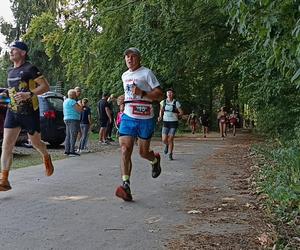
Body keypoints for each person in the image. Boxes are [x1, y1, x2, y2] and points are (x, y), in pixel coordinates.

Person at [0, 41, 54, 191]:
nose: (10, 52)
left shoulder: (30, 68)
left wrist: (29, 94)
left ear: (23, 53)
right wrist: (4, 98)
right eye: (10, 50)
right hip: (13, 112)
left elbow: (45, 86)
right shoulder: (10, 71)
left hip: (30, 112)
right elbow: (11, 92)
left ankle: (45, 155)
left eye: (14, 50)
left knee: (36, 143)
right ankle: (4, 179)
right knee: (6, 146)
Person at [115, 47, 163, 202]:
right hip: (129, 116)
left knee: (143, 153)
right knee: (124, 149)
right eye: (127, 57)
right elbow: (129, 93)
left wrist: (142, 93)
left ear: (138, 58)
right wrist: (121, 99)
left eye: (133, 56)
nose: (129, 59)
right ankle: (125, 185)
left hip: (145, 116)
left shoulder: (146, 73)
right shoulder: (124, 75)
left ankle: (154, 160)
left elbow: (159, 94)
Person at [158, 88, 183, 160]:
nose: (169, 94)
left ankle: (170, 154)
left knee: (170, 139)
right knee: (164, 139)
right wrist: (160, 116)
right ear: (166, 94)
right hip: (165, 122)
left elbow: (181, 112)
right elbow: (161, 110)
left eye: (171, 93)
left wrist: (178, 115)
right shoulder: (163, 102)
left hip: (173, 122)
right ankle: (166, 145)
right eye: (168, 92)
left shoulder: (176, 103)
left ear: (173, 94)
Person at [63, 89, 82, 156]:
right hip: (73, 119)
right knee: (73, 135)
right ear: (73, 95)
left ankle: (67, 150)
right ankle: (71, 151)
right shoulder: (72, 101)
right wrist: (80, 103)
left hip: (66, 119)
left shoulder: (65, 101)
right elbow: (79, 110)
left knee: (68, 135)